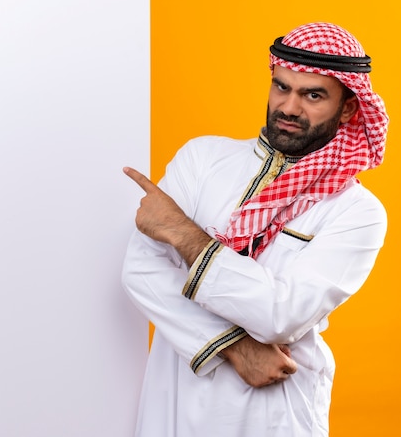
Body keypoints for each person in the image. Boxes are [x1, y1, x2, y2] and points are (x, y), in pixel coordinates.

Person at [121, 22, 388, 437]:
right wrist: (234, 345)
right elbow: (141, 270)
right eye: (282, 87)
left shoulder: (357, 212)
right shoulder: (203, 158)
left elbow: (280, 314)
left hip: (274, 403)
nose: (289, 108)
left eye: (312, 95)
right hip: (178, 387)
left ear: (350, 108)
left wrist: (180, 231)